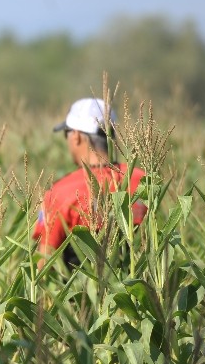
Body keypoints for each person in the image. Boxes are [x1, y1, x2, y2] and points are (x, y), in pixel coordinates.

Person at [33, 97, 147, 267]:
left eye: (67, 134)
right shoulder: (141, 180)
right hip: (137, 289)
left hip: (82, 291)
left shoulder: (61, 192)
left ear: (77, 136)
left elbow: (42, 263)